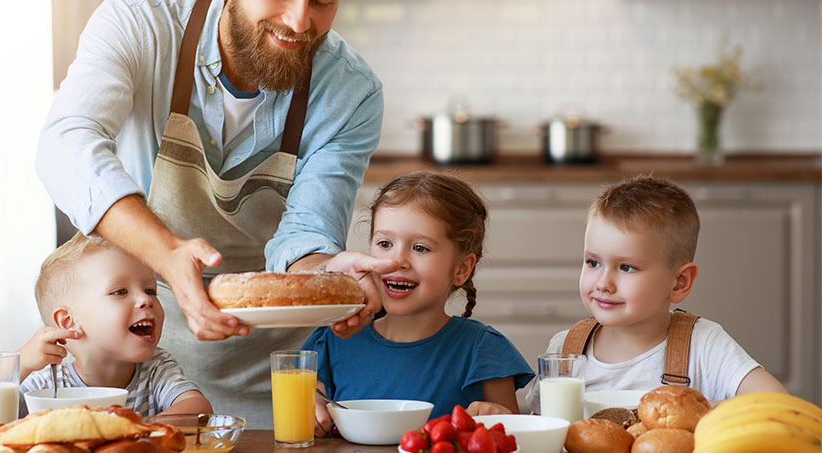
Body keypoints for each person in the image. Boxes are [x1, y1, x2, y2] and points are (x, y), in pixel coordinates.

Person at [35, 0, 396, 426]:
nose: (299, 21)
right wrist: (165, 253)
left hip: (279, 389)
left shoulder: (351, 92)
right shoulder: (141, 26)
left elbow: (306, 230)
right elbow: (65, 145)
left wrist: (328, 273)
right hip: (145, 380)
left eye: (324, 1)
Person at [526, 175, 786, 413]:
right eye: (593, 262)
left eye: (626, 267)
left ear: (679, 282)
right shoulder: (565, 349)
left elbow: (776, 403)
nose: (603, 283)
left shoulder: (703, 345)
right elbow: (537, 425)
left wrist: (692, 412)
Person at [304, 172, 536, 436]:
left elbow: (514, 438)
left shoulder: (484, 351)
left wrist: (502, 420)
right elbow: (306, 410)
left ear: (461, 268)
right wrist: (310, 406)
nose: (397, 260)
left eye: (420, 248)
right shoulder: (332, 339)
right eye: (384, 243)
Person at [0, 233, 211, 432]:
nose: (145, 300)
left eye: (150, 290)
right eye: (120, 292)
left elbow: (199, 409)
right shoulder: (48, 383)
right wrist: (22, 361)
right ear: (69, 321)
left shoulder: (155, 369)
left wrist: (139, 430)